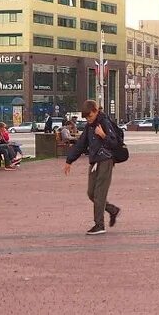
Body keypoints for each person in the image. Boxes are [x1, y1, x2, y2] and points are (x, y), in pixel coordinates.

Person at [63, 99, 123, 234]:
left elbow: (114, 143)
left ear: (96, 111)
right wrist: (69, 160)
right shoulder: (89, 126)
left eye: (90, 116)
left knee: (99, 193)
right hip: (95, 161)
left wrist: (103, 135)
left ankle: (99, 225)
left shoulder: (105, 122)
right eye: (86, 118)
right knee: (91, 193)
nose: (88, 119)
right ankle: (112, 210)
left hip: (106, 160)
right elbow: (81, 144)